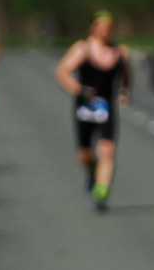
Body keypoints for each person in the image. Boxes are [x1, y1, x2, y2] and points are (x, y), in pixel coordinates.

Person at [55, 12, 131, 211]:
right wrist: (78, 89)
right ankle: (91, 173)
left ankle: (101, 192)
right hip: (84, 107)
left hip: (106, 107)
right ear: (94, 28)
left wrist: (123, 93)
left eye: (109, 27)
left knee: (107, 150)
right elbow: (62, 72)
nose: (106, 31)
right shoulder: (83, 49)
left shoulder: (120, 52)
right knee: (85, 155)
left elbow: (126, 78)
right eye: (102, 26)